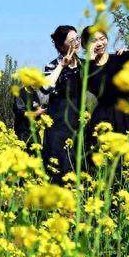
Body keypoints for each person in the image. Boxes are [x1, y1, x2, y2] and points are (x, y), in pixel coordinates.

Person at [80, 21, 129, 158]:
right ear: (85, 45)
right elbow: (92, 85)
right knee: (107, 159)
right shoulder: (85, 67)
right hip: (103, 116)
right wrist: (90, 61)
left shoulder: (121, 57)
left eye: (102, 38)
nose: (99, 43)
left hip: (127, 114)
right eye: (94, 41)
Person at [41, 25, 83, 183]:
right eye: (71, 40)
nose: (76, 42)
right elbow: (45, 88)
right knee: (57, 167)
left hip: (78, 123)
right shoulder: (52, 65)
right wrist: (62, 65)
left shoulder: (83, 65)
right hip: (58, 124)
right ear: (60, 45)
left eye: (77, 38)